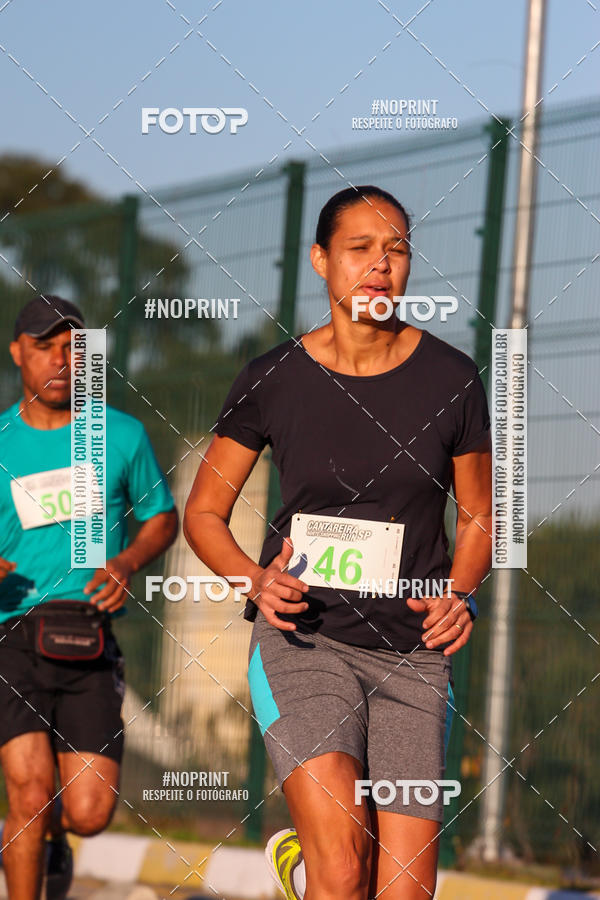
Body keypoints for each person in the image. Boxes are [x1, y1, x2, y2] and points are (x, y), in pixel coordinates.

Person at [183, 186, 492, 899]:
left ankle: (303, 861)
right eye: (361, 248)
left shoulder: (452, 379)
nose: (381, 264)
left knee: (404, 889)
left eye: (397, 250)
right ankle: (315, 863)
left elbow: (479, 514)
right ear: (321, 260)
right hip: (304, 640)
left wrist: (460, 593)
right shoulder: (272, 378)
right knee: (344, 869)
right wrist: (253, 579)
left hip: (413, 653)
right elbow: (203, 513)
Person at [0, 296, 178, 900]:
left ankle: (54, 837)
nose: (61, 359)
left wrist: (127, 560)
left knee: (89, 813)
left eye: (74, 348)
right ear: (17, 351)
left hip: (89, 634)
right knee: (28, 792)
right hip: (11, 634)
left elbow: (162, 517)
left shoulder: (121, 435)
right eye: (45, 346)